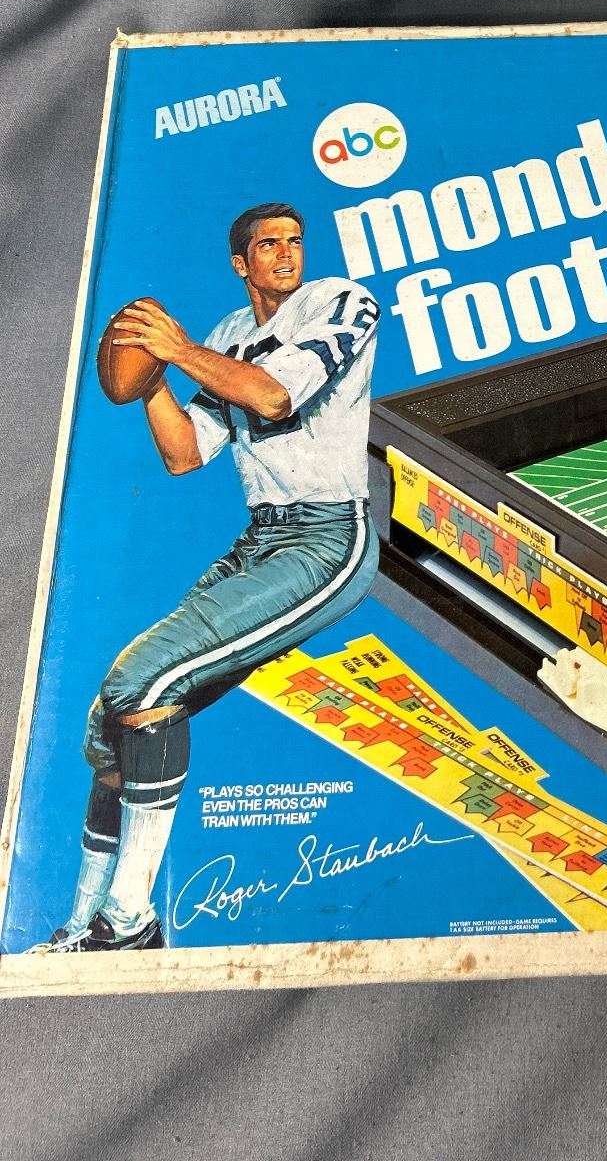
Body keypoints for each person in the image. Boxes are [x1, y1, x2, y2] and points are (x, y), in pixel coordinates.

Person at [34, 203, 381, 952]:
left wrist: (179, 348)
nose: (286, 253)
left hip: (326, 539)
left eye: (294, 241)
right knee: (111, 720)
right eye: (269, 244)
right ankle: (80, 925)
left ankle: (128, 921)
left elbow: (275, 395)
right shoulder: (227, 334)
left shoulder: (340, 301)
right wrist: (151, 379)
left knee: (143, 682)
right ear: (241, 263)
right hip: (262, 538)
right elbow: (185, 453)